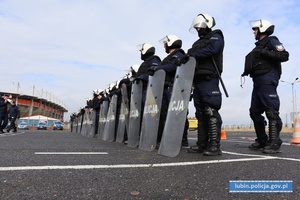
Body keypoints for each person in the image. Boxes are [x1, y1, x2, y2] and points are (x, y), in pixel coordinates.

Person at [179, 14, 225, 156]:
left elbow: (213, 50)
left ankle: (214, 145)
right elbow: (189, 58)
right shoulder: (196, 44)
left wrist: (192, 55)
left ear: (207, 23)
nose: (198, 29)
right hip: (197, 80)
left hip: (209, 78)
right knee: (200, 113)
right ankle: (202, 144)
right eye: (196, 27)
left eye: (199, 26)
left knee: (210, 111)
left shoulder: (216, 36)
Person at [242, 19, 289, 154]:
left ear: (262, 29)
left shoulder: (272, 41)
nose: (254, 32)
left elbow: (284, 55)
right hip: (257, 82)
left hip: (268, 80)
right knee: (254, 112)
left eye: (255, 30)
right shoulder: (258, 46)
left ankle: (274, 143)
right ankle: (262, 140)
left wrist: (264, 52)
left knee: (271, 111)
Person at [148, 34, 189, 147]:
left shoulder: (179, 54)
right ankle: (167, 139)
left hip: (174, 87)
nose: (165, 46)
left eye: (166, 43)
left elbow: (173, 67)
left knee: (177, 113)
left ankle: (182, 139)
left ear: (171, 43)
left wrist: (158, 68)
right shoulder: (168, 57)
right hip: (165, 88)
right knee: (165, 114)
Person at [136, 43, 161, 113]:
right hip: (143, 91)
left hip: (149, 92)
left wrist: (142, 77)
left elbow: (155, 75)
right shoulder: (146, 62)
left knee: (149, 113)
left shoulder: (154, 60)